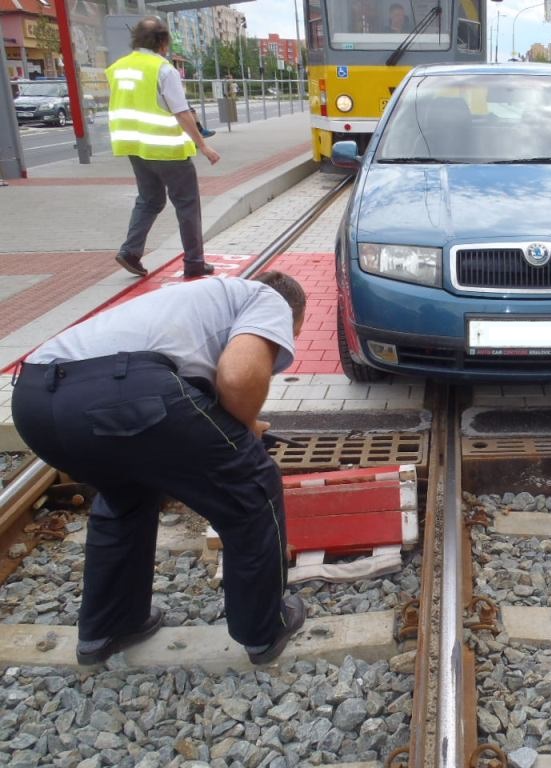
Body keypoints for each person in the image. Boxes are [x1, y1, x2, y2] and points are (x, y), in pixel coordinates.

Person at [11, 272, 308, 665]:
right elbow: (237, 378)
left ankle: (111, 626)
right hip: (126, 391)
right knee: (253, 483)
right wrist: (245, 433)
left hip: (35, 401)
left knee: (126, 492)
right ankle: (264, 629)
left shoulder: (192, 303)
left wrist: (240, 426)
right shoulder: (267, 298)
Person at [107, 17, 220, 280]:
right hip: (167, 149)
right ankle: (194, 262)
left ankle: (130, 252)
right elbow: (181, 112)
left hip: (135, 147)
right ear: (162, 41)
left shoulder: (118, 68)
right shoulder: (162, 69)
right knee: (187, 205)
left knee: (149, 200)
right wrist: (203, 145)